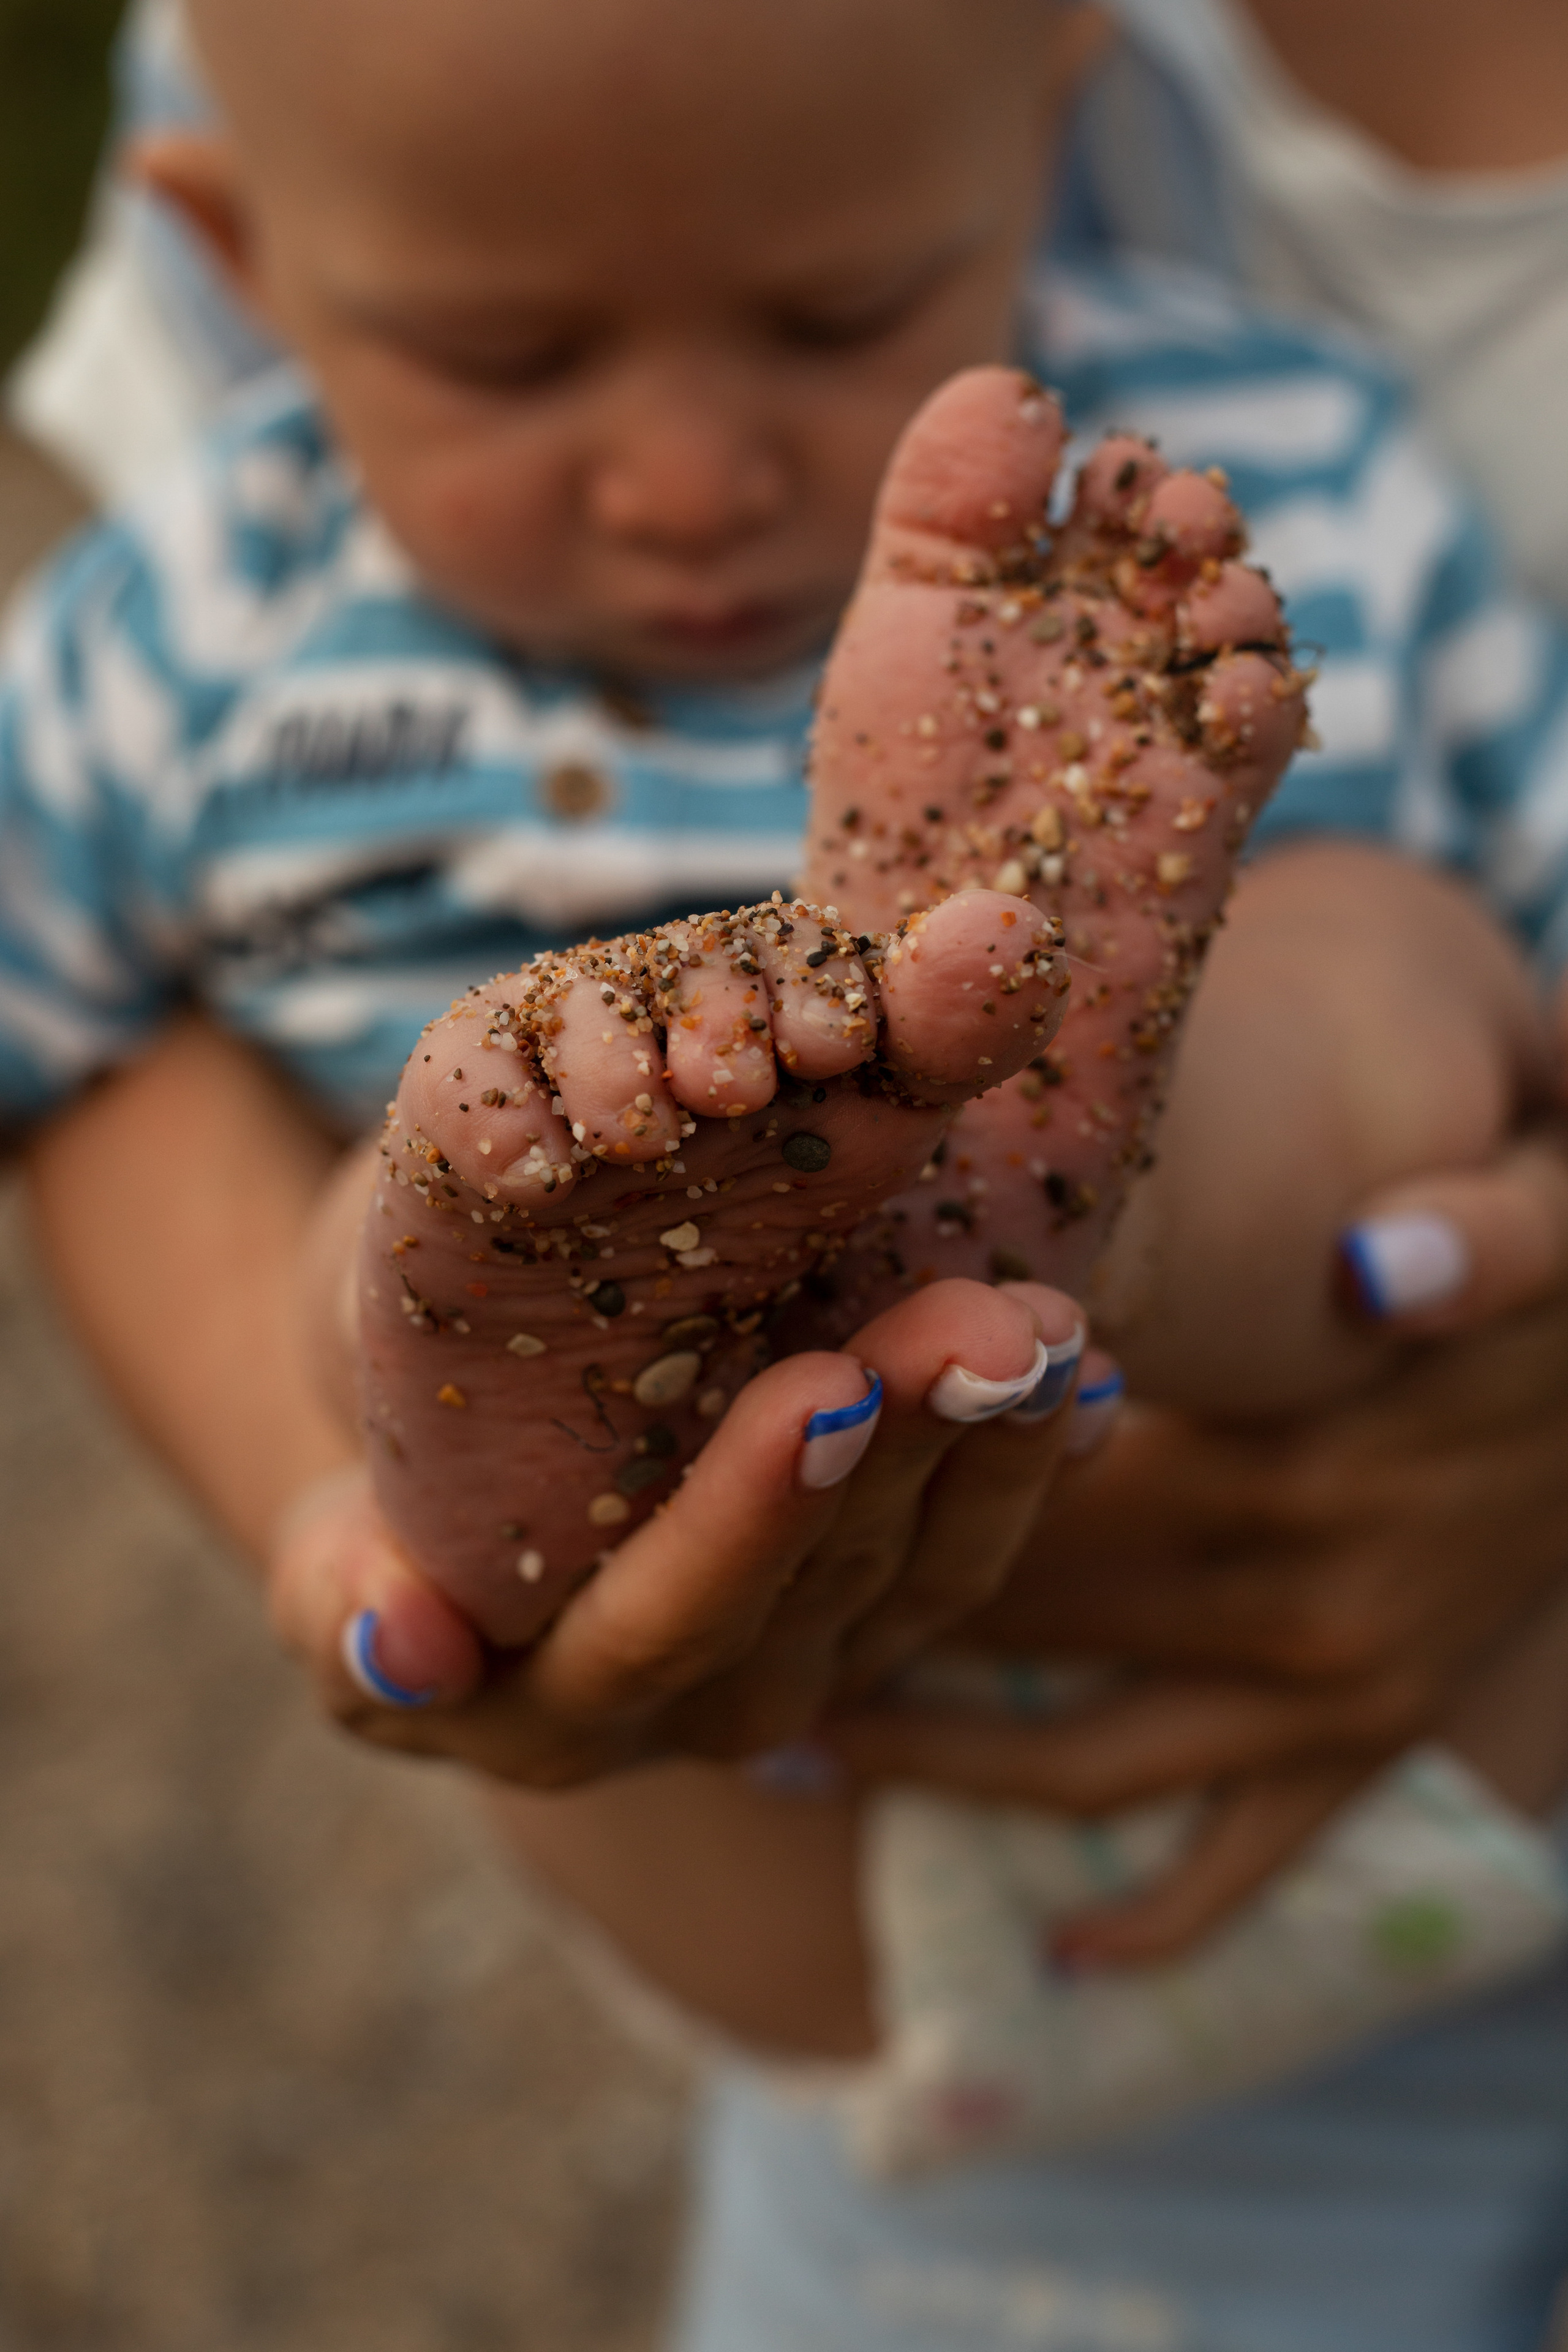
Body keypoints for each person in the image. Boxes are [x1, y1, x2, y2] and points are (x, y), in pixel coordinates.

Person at [6, 0, 1568, 2342]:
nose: (688, 471)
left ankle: (1060, 1157)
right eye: (506, 356)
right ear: (234, 254)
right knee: (407, 1196)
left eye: (836, 317)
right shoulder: (198, 611)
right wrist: (320, 1518)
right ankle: (561, 1316)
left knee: (1366, 960)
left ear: (1058, 115)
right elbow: (51, 1026)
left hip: (1396, 1634)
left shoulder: (1249, 467)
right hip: (772, 1796)